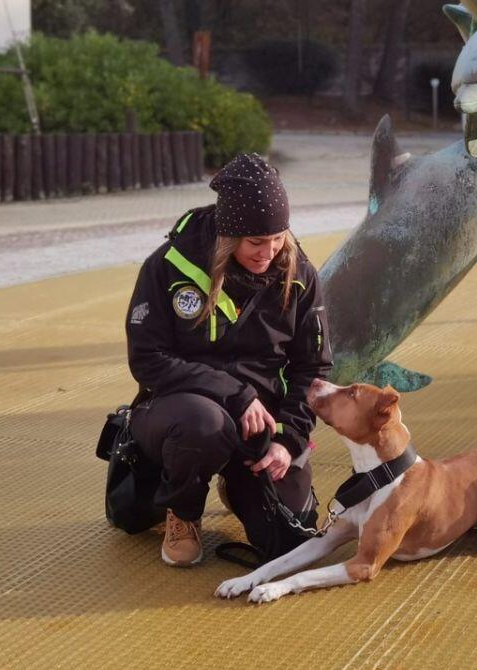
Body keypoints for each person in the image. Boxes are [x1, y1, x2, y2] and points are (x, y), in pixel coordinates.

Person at [124, 153, 331, 567]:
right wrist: (234, 394)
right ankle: (183, 512)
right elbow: (147, 359)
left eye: (277, 237)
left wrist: (287, 440)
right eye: (256, 241)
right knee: (206, 424)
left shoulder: (300, 275)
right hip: (182, 413)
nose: (268, 252)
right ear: (228, 234)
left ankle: (237, 481)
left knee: (289, 543)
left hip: (262, 424)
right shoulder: (168, 266)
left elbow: (313, 369)